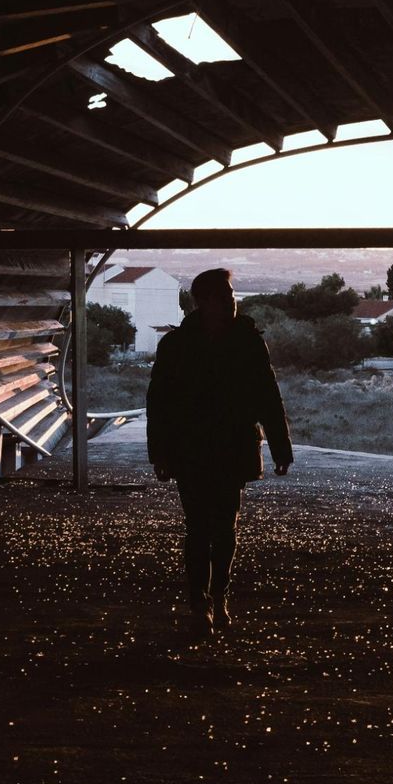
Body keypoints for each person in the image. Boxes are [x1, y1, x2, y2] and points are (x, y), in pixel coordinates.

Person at [146, 268, 293, 635]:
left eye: (231, 295)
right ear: (205, 301)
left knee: (218, 529)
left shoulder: (213, 342)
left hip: (211, 448)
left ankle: (210, 600)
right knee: (206, 528)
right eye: (225, 295)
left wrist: (281, 447)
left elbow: (267, 395)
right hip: (202, 450)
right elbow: (159, 403)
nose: (232, 301)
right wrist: (159, 453)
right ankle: (206, 601)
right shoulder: (231, 342)